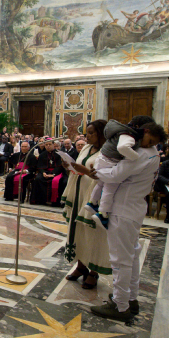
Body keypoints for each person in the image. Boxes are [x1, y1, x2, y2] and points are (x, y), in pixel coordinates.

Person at [73, 122, 166, 321]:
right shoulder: (153, 151)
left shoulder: (141, 153)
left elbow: (115, 175)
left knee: (120, 260)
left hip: (123, 210)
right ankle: (130, 298)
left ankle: (120, 306)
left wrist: (93, 172)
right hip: (134, 207)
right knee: (130, 255)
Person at [83, 116, 155, 229]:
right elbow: (115, 175)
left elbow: (115, 175)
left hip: (126, 206)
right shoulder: (134, 142)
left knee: (106, 188)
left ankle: (99, 209)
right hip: (127, 206)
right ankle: (98, 208)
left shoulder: (143, 151)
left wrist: (97, 173)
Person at [62, 120, 108, 290]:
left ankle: (93, 272)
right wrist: (69, 166)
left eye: (91, 133)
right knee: (78, 230)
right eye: (86, 132)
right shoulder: (87, 148)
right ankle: (81, 266)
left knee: (92, 232)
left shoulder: (108, 152)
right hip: (79, 192)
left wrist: (84, 170)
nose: (86, 136)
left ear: (101, 133)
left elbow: (106, 176)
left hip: (93, 196)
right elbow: (78, 167)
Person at [30, 139, 66, 207]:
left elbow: (60, 166)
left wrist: (53, 174)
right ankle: (41, 200)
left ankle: (55, 202)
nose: (48, 146)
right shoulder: (42, 155)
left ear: (53, 145)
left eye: (50, 144)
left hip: (56, 172)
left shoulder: (59, 154)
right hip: (45, 172)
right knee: (38, 179)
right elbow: (39, 166)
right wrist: (43, 173)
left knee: (59, 181)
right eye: (46, 145)